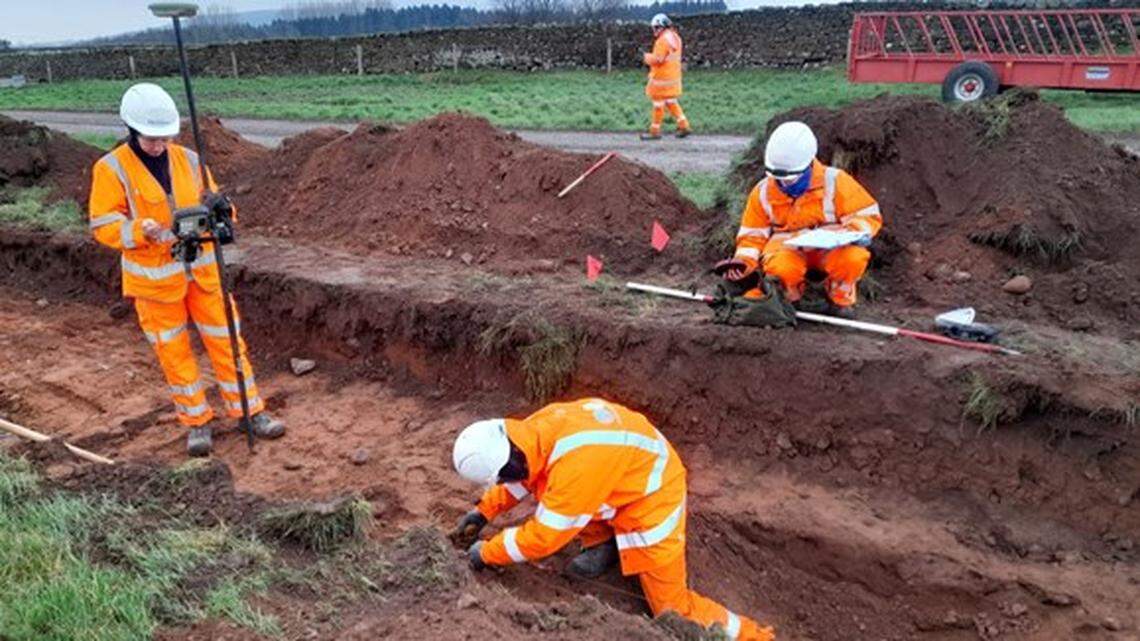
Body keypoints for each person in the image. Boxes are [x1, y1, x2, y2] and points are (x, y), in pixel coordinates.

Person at [452, 398, 774, 640]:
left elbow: (543, 537)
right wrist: (484, 511)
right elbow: (525, 475)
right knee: (556, 490)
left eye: (501, 477)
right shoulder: (530, 433)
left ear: (509, 457)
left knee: (672, 611)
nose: (503, 484)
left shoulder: (576, 468)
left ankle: (754, 635)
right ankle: (603, 544)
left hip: (651, 497)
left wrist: (487, 552)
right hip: (618, 475)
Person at [87, 82, 285, 457]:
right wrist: (136, 230)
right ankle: (196, 422)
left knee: (227, 343)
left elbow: (217, 206)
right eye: (151, 139)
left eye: (165, 137)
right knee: (174, 354)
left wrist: (222, 211)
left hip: (204, 274)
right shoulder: (111, 168)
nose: (159, 145)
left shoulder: (190, 160)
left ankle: (250, 411)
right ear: (131, 130)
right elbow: (102, 224)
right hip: (156, 284)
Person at [721, 121, 882, 317]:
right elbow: (752, 236)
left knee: (853, 258)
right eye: (778, 179)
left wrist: (852, 232)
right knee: (781, 267)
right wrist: (743, 262)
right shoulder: (763, 191)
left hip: (830, 247)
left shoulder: (835, 181)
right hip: (787, 249)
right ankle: (791, 301)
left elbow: (867, 214)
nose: (784, 184)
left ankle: (840, 301)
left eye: (791, 179)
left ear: (809, 164)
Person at [641, 13, 691, 140]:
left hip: (661, 80)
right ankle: (684, 126)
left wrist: (646, 57)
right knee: (671, 102)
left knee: (658, 104)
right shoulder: (676, 38)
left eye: (655, 28)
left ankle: (654, 132)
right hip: (673, 78)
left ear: (660, 27)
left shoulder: (662, 40)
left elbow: (658, 59)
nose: (654, 31)